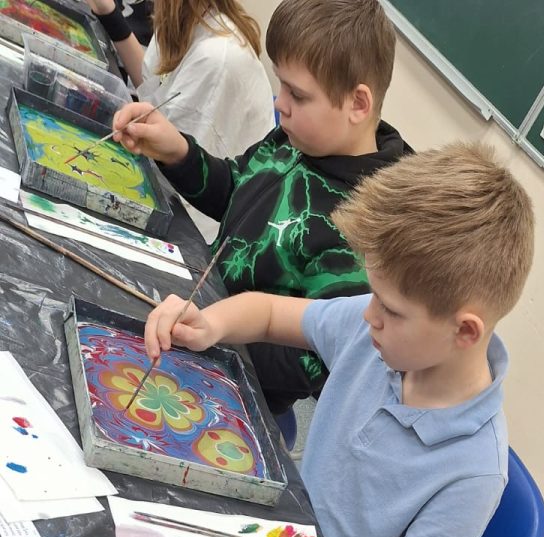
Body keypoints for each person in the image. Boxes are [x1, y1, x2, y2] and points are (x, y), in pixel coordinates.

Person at [142, 143, 535, 537]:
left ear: (464, 332)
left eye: (390, 309)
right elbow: (268, 313)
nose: (369, 314)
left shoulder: (473, 472)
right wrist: (209, 323)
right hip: (273, 527)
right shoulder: (377, 330)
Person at [112, 0, 408, 419]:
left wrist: (216, 328)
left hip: (235, 393)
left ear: (358, 104)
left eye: (297, 94)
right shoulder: (296, 138)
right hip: (194, 320)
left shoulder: (364, 224)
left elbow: (313, 361)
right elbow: (235, 191)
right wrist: (177, 151)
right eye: (281, 86)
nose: (280, 103)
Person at [88, 0, 273, 235]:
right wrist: (109, 14)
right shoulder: (180, 20)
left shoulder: (215, 58)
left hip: (199, 225)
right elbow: (153, 89)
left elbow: (176, 181)